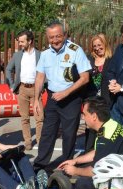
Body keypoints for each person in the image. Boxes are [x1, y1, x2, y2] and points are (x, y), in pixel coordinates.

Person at [32, 21, 91, 172]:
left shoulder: (75, 50)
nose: (55, 40)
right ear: (47, 38)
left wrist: (66, 93)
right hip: (53, 98)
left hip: (71, 98)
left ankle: (67, 166)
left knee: (69, 135)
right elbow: (39, 78)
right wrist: (36, 99)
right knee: (47, 133)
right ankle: (40, 166)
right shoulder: (45, 55)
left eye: (58, 36)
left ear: (64, 35)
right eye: (52, 37)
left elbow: (85, 78)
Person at [57, 96, 123, 189]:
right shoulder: (110, 124)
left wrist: (75, 171)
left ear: (94, 116)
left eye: (84, 114)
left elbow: (95, 171)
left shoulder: (107, 137)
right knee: (81, 167)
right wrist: (75, 161)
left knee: (83, 184)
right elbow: (98, 152)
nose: (83, 117)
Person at [5, 30, 43, 150]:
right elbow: (8, 70)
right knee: (24, 118)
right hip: (22, 89)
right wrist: (11, 85)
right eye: (19, 41)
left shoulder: (40, 55)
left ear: (30, 41)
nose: (20, 44)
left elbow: (46, 72)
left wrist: (44, 86)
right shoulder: (17, 55)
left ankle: (40, 141)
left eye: (22, 41)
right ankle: (28, 141)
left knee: (40, 118)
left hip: (36, 90)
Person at [83, 33, 112, 152]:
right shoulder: (89, 60)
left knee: (103, 128)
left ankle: (103, 152)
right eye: (94, 46)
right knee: (90, 128)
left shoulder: (111, 60)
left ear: (105, 44)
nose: (97, 48)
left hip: (105, 101)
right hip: (91, 100)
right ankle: (88, 152)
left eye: (99, 45)